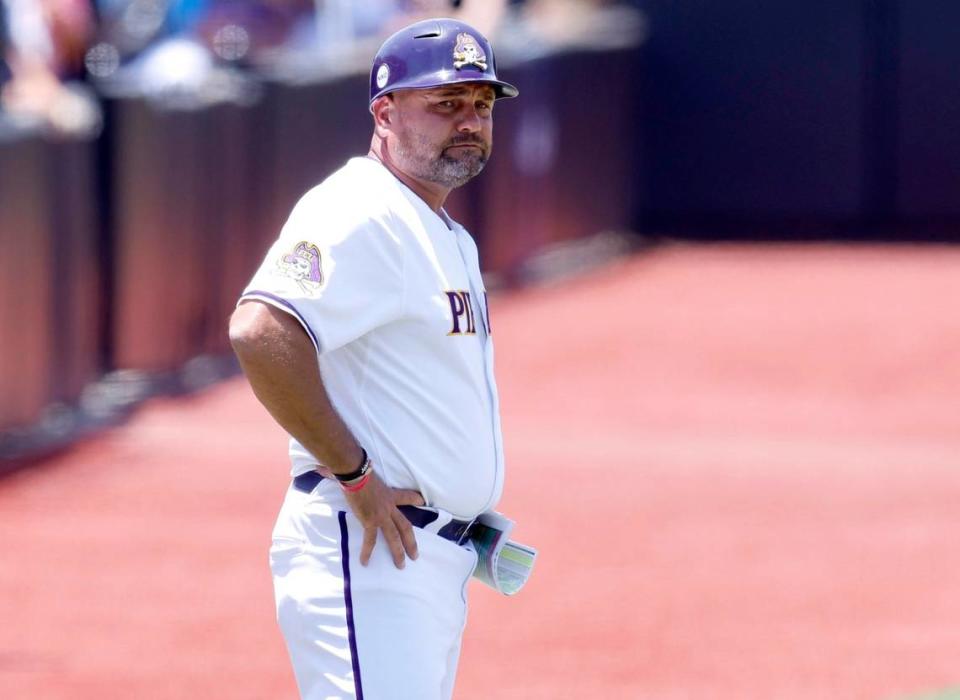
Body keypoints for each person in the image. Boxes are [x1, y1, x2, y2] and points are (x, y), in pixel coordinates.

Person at [228, 17, 518, 700]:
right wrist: (356, 476)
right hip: (368, 549)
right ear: (384, 112)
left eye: (481, 104)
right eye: (446, 103)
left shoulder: (442, 229)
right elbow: (260, 329)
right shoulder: (361, 209)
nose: (470, 121)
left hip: (419, 561)